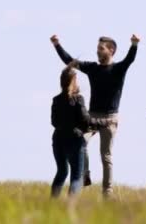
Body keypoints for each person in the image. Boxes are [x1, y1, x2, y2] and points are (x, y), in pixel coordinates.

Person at [51, 34, 139, 197]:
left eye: (101, 48)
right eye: (97, 48)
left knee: (106, 156)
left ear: (111, 50)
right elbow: (69, 61)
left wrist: (134, 44)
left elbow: (129, 59)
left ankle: (108, 192)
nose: (97, 51)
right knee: (80, 142)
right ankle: (84, 175)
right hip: (91, 117)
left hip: (110, 118)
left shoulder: (118, 69)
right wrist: (57, 45)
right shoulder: (93, 68)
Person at [50, 64, 113, 197]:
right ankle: (70, 206)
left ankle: (52, 204)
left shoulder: (56, 100)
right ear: (73, 81)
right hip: (75, 141)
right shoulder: (78, 99)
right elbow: (87, 121)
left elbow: (54, 122)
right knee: (77, 177)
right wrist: (105, 122)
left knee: (61, 173)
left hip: (58, 141)